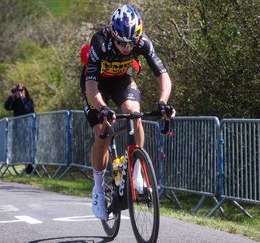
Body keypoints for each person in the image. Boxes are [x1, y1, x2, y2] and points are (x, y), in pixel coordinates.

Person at [80, 4, 175, 220]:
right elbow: (91, 87)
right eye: (121, 42)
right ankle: (98, 189)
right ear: (113, 34)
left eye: (130, 43)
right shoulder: (100, 42)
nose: (126, 47)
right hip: (96, 85)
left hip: (122, 80)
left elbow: (163, 76)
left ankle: (138, 173)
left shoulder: (142, 42)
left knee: (135, 113)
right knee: (103, 134)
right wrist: (103, 108)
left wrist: (162, 102)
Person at [4, 83, 35, 174]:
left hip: (27, 128)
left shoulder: (29, 100)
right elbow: (7, 107)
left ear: (25, 91)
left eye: (21, 90)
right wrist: (11, 97)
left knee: (28, 149)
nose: (19, 92)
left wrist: (22, 98)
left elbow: (27, 109)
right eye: (18, 90)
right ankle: (28, 168)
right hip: (18, 129)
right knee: (21, 149)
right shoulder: (16, 102)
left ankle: (31, 168)